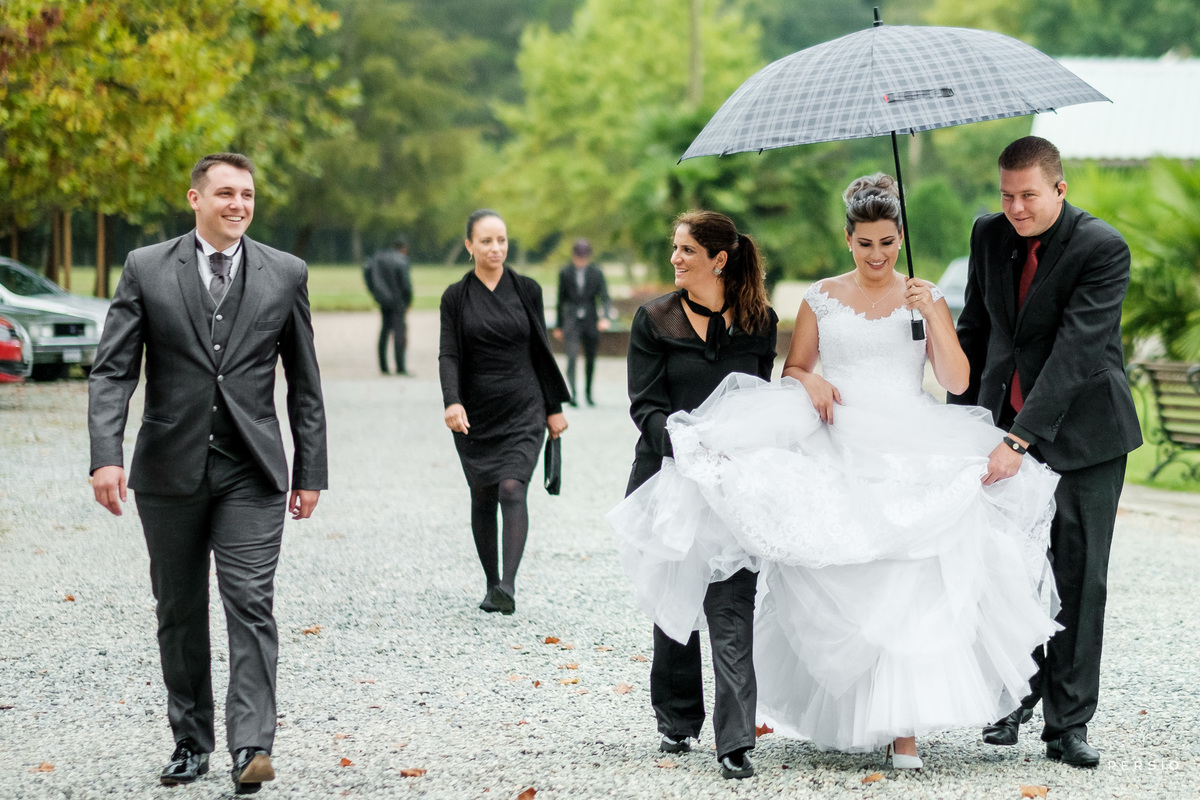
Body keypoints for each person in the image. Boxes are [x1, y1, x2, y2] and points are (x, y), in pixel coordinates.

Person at [609, 175, 1061, 772]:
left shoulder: (923, 298)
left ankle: (904, 728)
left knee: (910, 576)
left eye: (888, 242)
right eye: (866, 243)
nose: (878, 255)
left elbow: (955, 382)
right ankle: (854, 710)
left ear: (900, 238)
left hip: (907, 441)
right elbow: (793, 368)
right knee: (850, 574)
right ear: (848, 239)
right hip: (841, 442)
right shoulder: (820, 298)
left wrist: (935, 316)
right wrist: (811, 379)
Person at [88, 153, 328, 795]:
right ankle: (190, 742)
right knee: (179, 608)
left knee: (250, 602)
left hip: (253, 470)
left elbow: (304, 380)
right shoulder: (145, 267)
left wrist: (311, 470)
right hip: (168, 470)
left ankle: (251, 744)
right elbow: (114, 370)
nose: (238, 205)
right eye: (225, 193)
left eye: (247, 195)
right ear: (195, 199)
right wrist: (106, 453)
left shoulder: (285, 272)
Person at [949, 136, 1142, 768]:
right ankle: (1013, 695)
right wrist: (961, 421)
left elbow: (1076, 354)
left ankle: (1067, 725)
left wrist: (1019, 439)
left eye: (1028, 195)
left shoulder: (1101, 248)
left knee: (1079, 578)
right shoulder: (988, 234)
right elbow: (977, 328)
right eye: (1006, 195)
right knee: (1006, 572)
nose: (1016, 208)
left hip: (1085, 437)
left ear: (1059, 188)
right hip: (1000, 425)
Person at [615, 211, 778, 780]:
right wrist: (686, 450)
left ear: (719, 258)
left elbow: (760, 403)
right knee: (674, 600)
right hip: (666, 475)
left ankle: (736, 739)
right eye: (674, 248)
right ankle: (678, 717)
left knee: (731, 604)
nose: (675, 258)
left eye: (686, 249)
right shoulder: (653, 319)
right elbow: (645, 406)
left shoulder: (761, 322)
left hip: (733, 486)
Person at [439, 209, 570, 616]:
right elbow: (449, 353)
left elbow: (541, 349)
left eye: (502, 240)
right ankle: (490, 582)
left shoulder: (527, 289)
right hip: (475, 410)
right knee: (482, 493)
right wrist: (451, 400)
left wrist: (553, 408)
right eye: (486, 241)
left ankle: (507, 587)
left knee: (512, 487)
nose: (496, 248)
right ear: (469, 246)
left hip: (522, 403)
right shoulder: (455, 297)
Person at [553, 238, 613, 406]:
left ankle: (588, 393)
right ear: (573, 256)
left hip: (590, 319)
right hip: (571, 319)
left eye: (584, 257)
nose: (581, 260)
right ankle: (573, 393)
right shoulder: (565, 272)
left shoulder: (596, 272)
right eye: (578, 257)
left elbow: (604, 296)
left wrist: (605, 317)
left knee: (590, 357)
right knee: (571, 356)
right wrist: (559, 325)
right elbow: (560, 299)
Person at [366, 236, 413, 375]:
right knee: (399, 333)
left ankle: (383, 366)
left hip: (383, 300)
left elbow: (367, 273)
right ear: (404, 248)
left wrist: (375, 293)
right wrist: (408, 301)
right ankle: (400, 367)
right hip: (398, 302)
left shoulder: (378, 258)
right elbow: (406, 285)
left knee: (384, 332)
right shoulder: (402, 260)